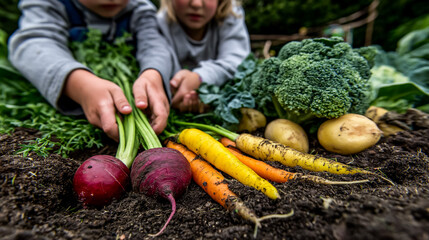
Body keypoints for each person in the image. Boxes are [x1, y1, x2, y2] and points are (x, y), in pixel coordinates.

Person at [8, 0, 175, 141]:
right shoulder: (48, 4)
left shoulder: (139, 8)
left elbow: (155, 46)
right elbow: (33, 45)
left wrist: (153, 73)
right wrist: (80, 85)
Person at [157, 0, 251, 113]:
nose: (196, 4)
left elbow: (237, 61)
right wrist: (176, 92)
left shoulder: (231, 15)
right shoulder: (158, 24)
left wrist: (199, 78)